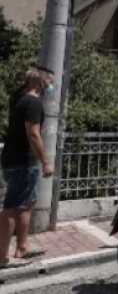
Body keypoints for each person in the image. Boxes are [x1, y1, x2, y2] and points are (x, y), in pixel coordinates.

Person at [0, 67, 56, 270]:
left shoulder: (19, 99)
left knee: (28, 202)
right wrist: (46, 162)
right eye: (50, 82)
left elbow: (16, 92)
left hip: (14, 160)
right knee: (12, 207)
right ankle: (2, 257)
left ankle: (22, 247)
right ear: (42, 82)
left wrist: (26, 81)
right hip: (23, 162)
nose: (51, 87)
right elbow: (33, 134)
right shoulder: (33, 103)